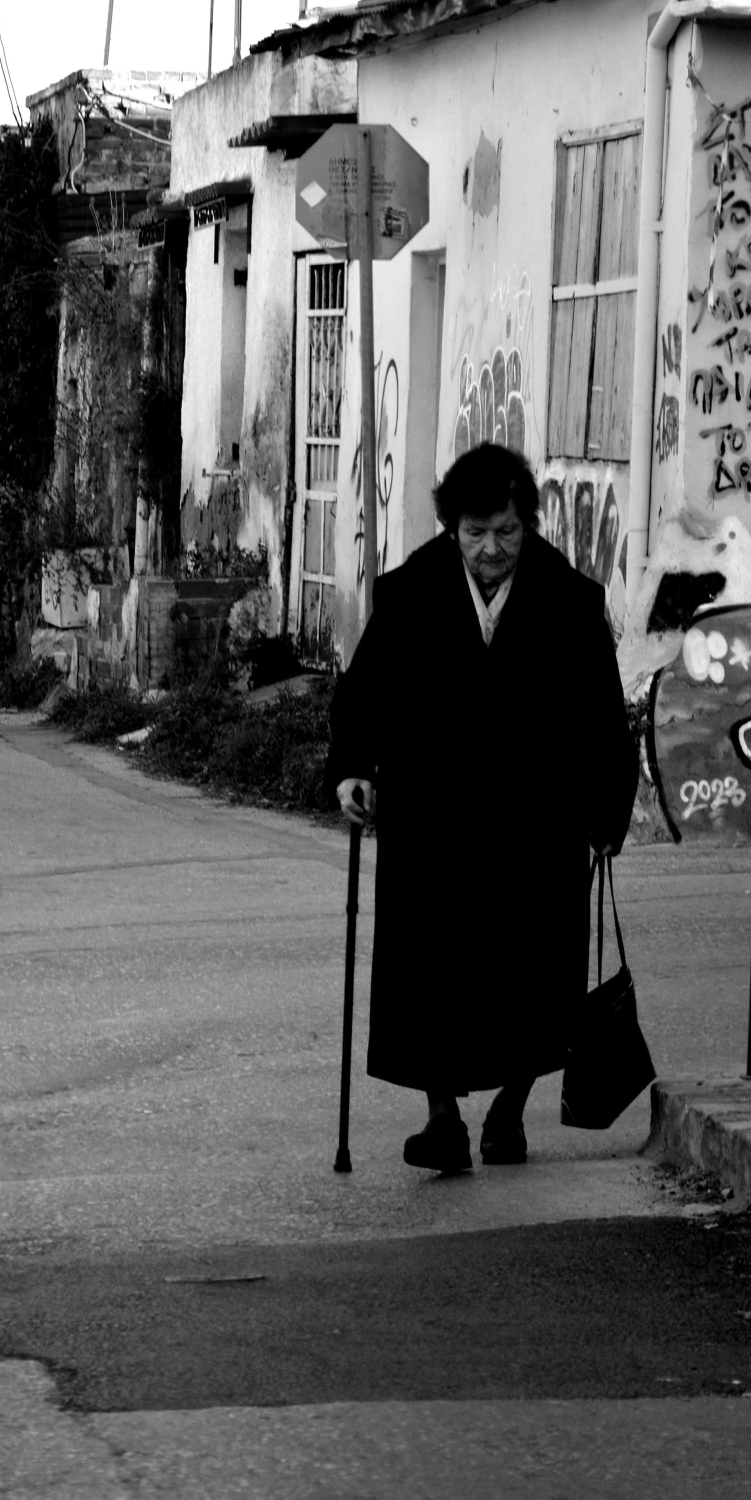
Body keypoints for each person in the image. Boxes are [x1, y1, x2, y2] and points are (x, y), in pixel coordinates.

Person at [328, 442, 639, 1173]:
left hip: (537, 820)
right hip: (433, 818)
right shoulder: (409, 594)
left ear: (525, 522)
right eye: (475, 533)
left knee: (535, 969)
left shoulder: (569, 598)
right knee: (427, 969)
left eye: (505, 530)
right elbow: (363, 694)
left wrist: (606, 812)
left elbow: (603, 716)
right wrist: (350, 771)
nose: (491, 548)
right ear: (451, 528)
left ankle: (508, 1111)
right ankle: (442, 1119)